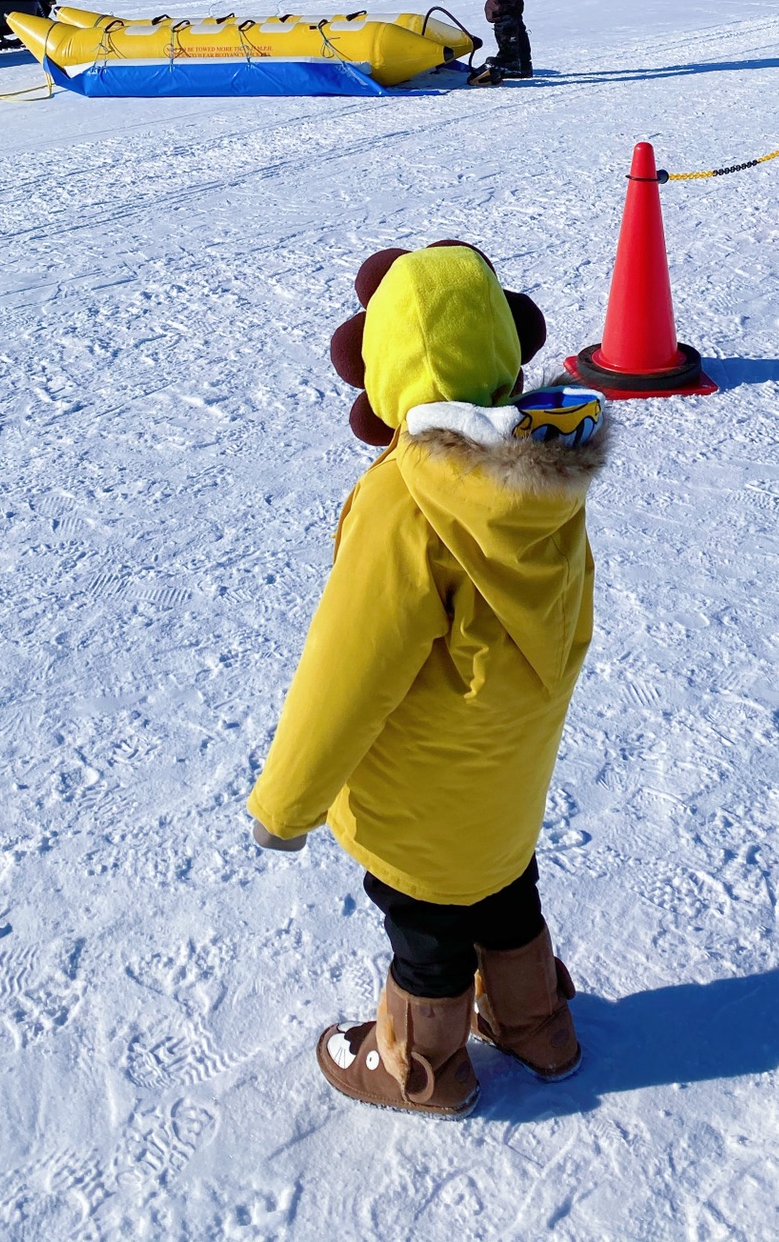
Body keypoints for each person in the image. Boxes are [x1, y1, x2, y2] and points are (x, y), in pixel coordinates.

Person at [247, 241, 606, 1117]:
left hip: (420, 791)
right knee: (504, 888)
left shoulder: (408, 502)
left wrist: (284, 806)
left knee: (427, 926)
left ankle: (420, 1065)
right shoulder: (547, 478)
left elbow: (349, 669)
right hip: (506, 779)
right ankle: (537, 1026)